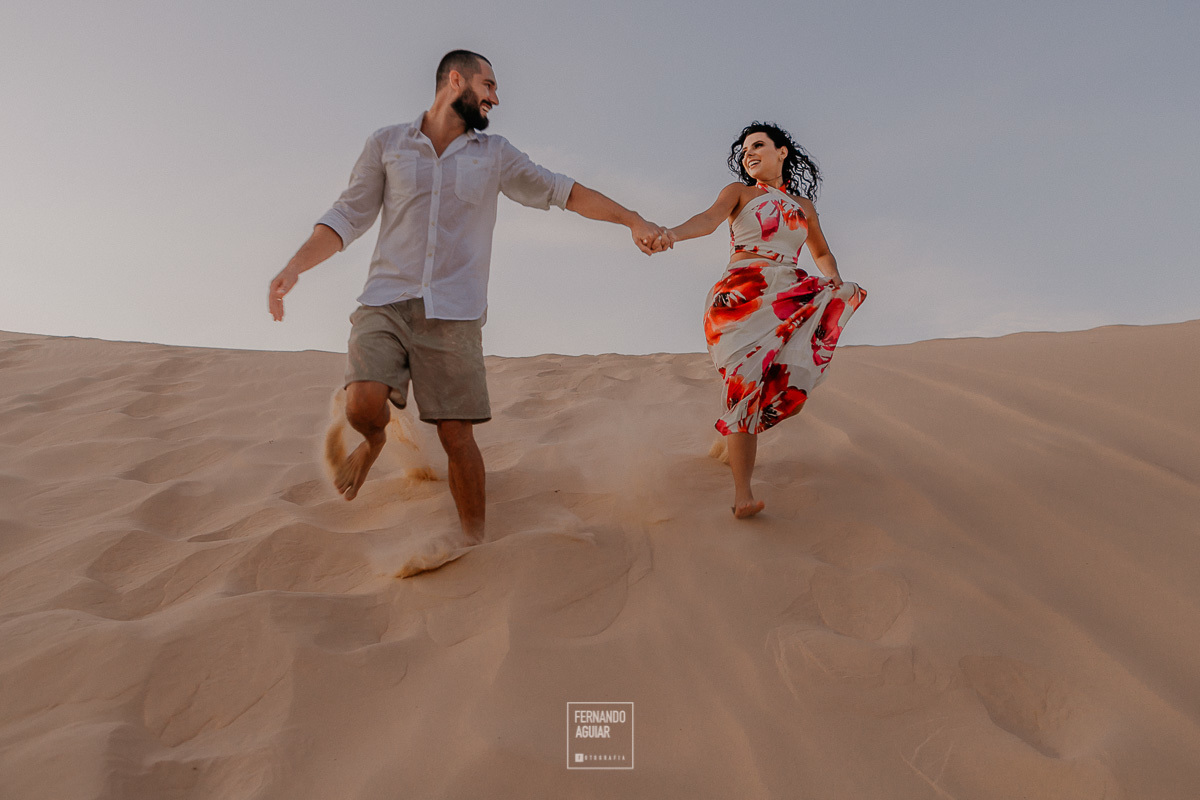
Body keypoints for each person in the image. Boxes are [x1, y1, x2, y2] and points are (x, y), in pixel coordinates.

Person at [268, 50, 671, 570]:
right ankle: (373, 441)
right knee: (362, 406)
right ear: (454, 80)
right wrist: (295, 266)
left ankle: (476, 544)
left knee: (456, 434)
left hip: (454, 313)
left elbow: (561, 191)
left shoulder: (495, 153)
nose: (495, 98)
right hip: (385, 300)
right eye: (489, 85)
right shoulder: (387, 143)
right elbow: (350, 213)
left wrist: (631, 218)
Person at [661, 121, 866, 519]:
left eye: (757, 145)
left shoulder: (803, 207)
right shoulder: (738, 192)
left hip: (786, 295)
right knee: (743, 384)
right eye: (744, 152)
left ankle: (730, 447)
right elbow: (707, 220)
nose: (748, 154)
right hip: (738, 297)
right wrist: (672, 233)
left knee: (779, 381)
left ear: (781, 152)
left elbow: (821, 253)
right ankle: (743, 494)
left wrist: (833, 282)